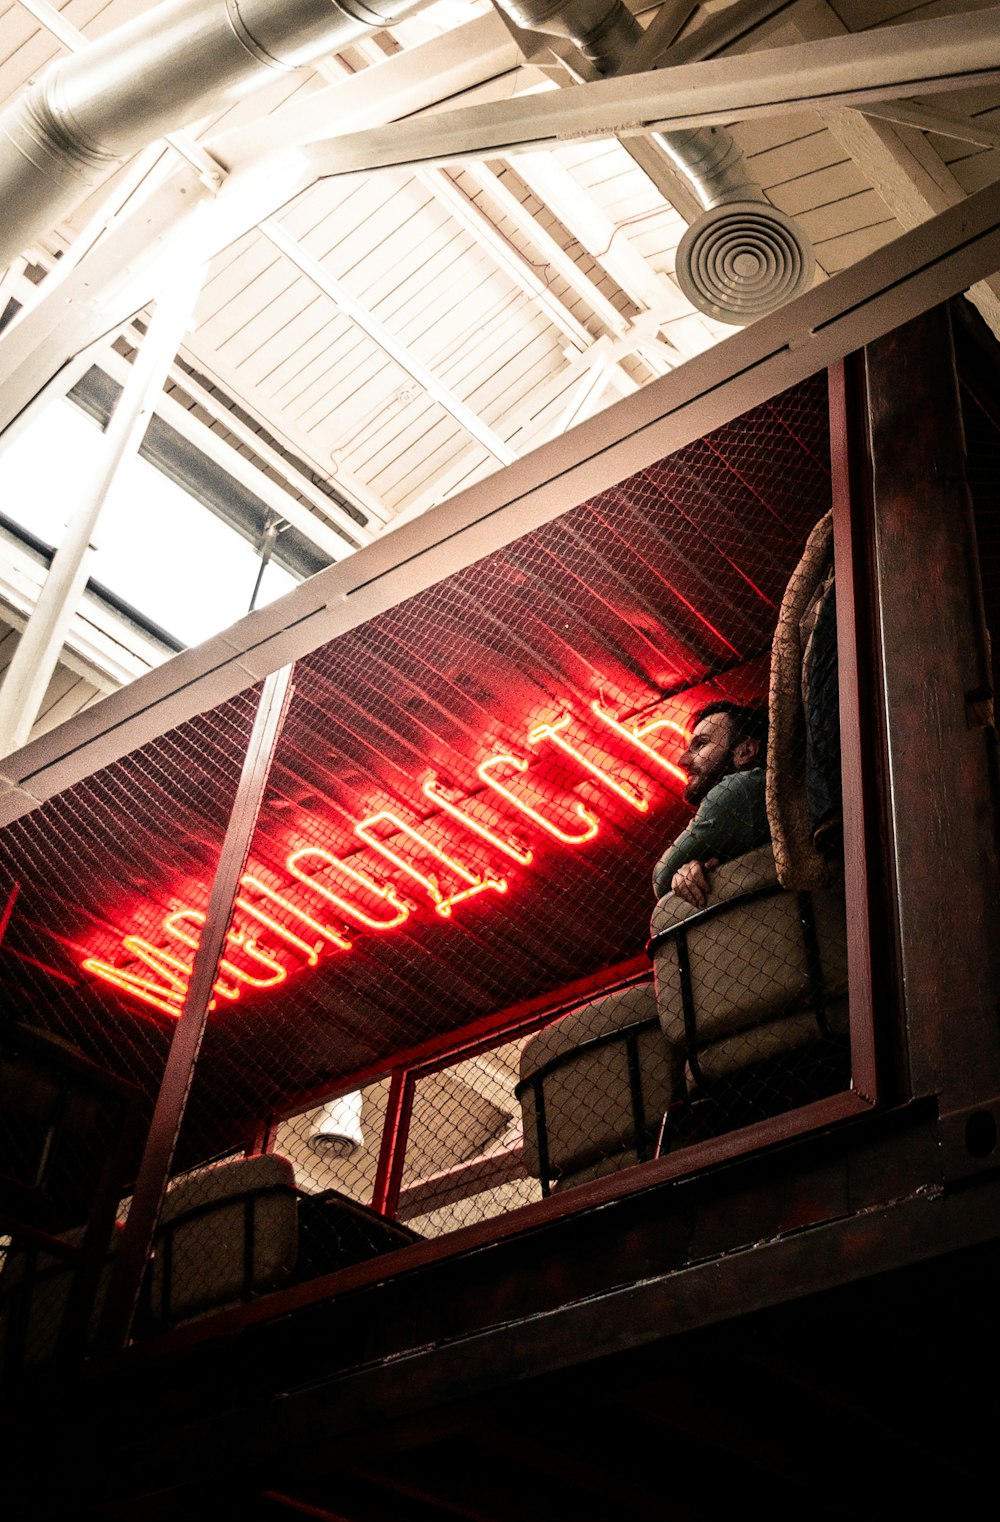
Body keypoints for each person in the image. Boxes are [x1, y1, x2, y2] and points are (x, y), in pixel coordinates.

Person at [651, 701, 769, 908]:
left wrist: (682, 866)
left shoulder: (740, 787)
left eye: (701, 744)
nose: (682, 760)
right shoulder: (759, 788)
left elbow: (661, 876)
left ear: (745, 751)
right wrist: (700, 865)